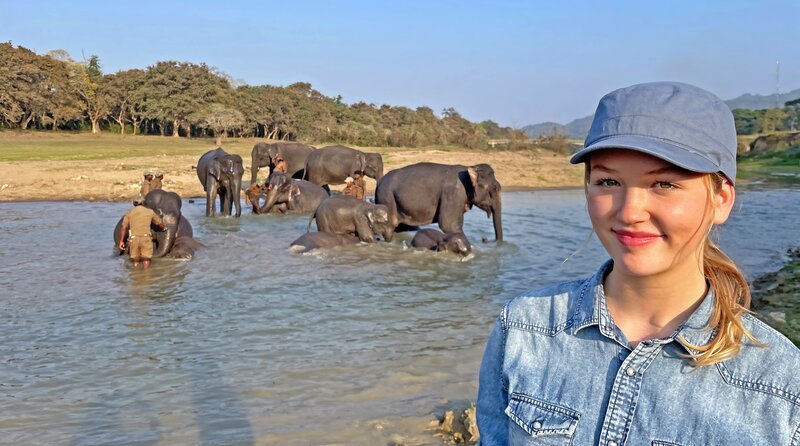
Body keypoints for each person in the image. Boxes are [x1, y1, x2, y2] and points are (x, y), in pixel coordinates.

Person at [476, 82, 800, 445]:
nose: (629, 212)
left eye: (663, 184)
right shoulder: (522, 329)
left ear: (721, 199)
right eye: (608, 181)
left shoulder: (782, 386)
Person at [119, 197, 166, 269]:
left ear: (134, 204)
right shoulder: (150, 211)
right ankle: (146, 275)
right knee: (146, 259)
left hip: (133, 239)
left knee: (135, 260)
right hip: (146, 238)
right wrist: (164, 228)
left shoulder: (129, 213)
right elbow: (159, 223)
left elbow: (123, 228)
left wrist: (121, 241)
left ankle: (136, 275)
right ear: (143, 203)